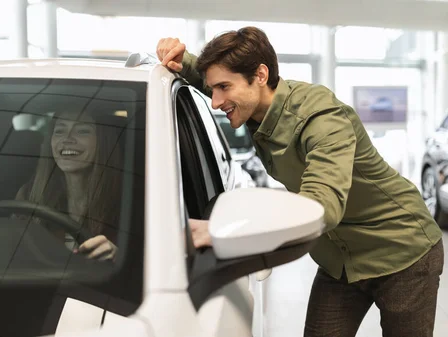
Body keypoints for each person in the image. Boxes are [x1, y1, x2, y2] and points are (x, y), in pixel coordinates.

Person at [157, 27, 444, 337]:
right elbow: (216, 80)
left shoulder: (320, 118)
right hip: (340, 261)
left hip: (402, 251)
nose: (215, 101)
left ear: (261, 75)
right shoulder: (251, 99)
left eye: (223, 88)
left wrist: (228, 230)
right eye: (214, 89)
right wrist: (178, 58)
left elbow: (322, 208)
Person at [15, 108, 123, 261]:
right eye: (59, 131)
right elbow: (12, 256)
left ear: (103, 141)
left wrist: (119, 258)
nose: (67, 139)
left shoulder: (130, 203)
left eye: (82, 131)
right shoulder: (29, 195)